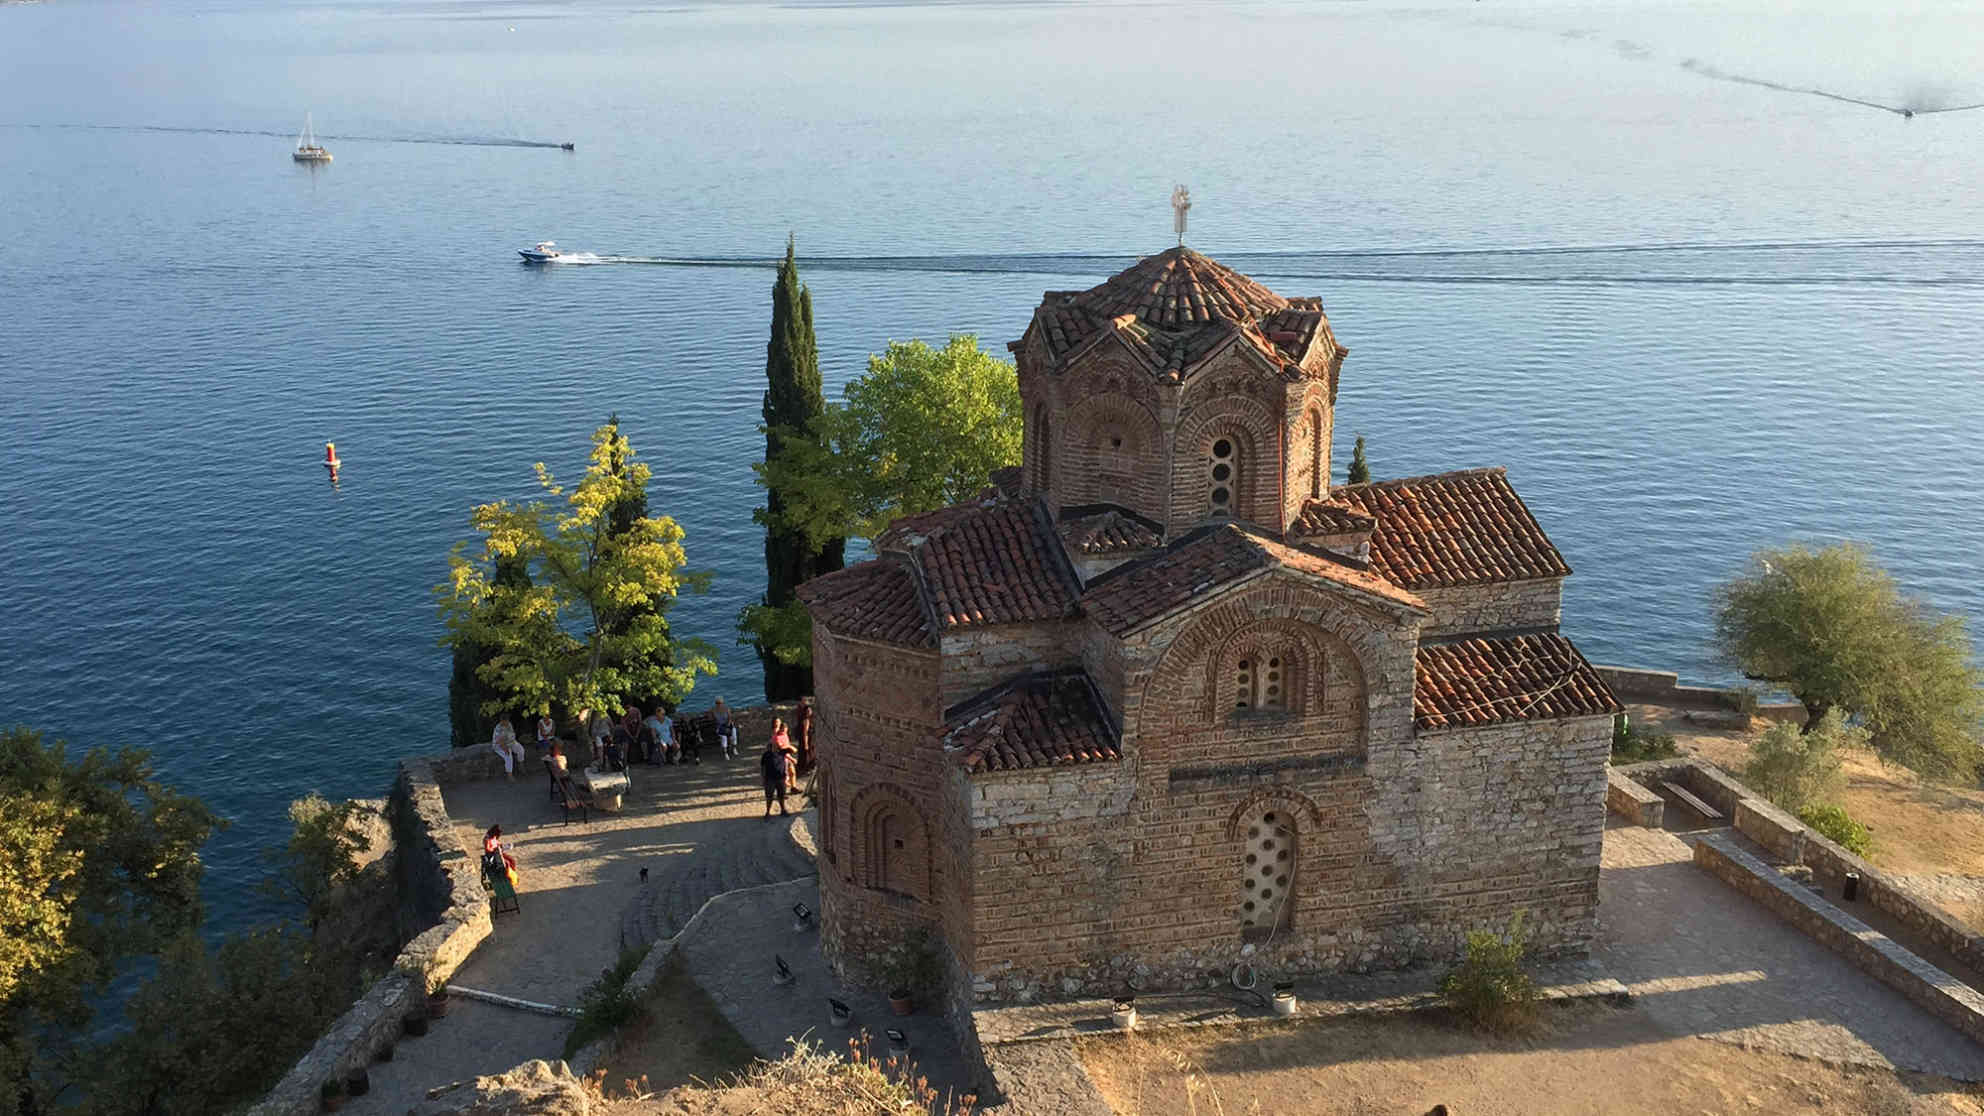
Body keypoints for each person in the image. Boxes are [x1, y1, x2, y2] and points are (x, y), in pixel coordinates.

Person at [760, 736, 790, 819]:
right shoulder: (766, 755)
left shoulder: (782, 752)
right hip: (770, 779)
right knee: (769, 796)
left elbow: (794, 750)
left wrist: (784, 746)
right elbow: (763, 767)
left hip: (781, 778)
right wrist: (763, 778)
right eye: (775, 745)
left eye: (777, 744)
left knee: (781, 795)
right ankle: (768, 812)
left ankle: (783, 810)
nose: (777, 746)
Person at [490, 714, 524, 780]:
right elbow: (499, 741)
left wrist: (513, 743)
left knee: (521, 749)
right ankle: (509, 775)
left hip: (509, 742)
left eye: (507, 721)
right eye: (505, 721)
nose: (506, 723)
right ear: (501, 721)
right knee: (508, 756)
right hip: (499, 745)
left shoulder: (509, 724)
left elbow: (511, 734)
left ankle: (521, 765)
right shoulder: (498, 728)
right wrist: (505, 749)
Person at [771, 718, 797, 792]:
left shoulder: (785, 735)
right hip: (780, 759)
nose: (784, 732)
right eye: (783, 730)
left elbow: (787, 746)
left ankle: (793, 788)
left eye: (786, 731)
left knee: (792, 772)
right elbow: (782, 750)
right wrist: (792, 757)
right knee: (783, 777)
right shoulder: (776, 737)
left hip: (787, 757)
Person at [795, 699, 816, 776]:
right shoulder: (806, 720)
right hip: (807, 739)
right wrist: (806, 743)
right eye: (809, 710)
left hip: (808, 739)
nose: (810, 711)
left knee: (807, 754)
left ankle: (805, 769)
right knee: (807, 754)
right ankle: (806, 769)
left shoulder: (807, 719)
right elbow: (805, 732)